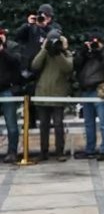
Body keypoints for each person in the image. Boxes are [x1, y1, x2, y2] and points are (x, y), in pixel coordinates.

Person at [73, 33, 104, 160]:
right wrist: (82, 53)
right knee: (88, 123)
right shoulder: (86, 53)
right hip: (86, 90)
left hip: (99, 90)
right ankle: (90, 149)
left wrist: (100, 53)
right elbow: (75, 65)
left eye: (95, 43)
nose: (93, 45)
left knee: (103, 122)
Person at [31, 30, 73, 161]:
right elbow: (35, 65)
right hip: (42, 94)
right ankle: (44, 152)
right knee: (43, 125)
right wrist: (44, 49)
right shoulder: (44, 54)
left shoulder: (65, 54)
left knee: (58, 125)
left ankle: (59, 152)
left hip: (58, 95)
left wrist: (58, 52)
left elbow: (68, 68)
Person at [0, 29, 22, 162]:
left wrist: (3, 50)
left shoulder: (13, 46)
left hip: (7, 89)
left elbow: (16, 62)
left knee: (11, 124)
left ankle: (12, 151)